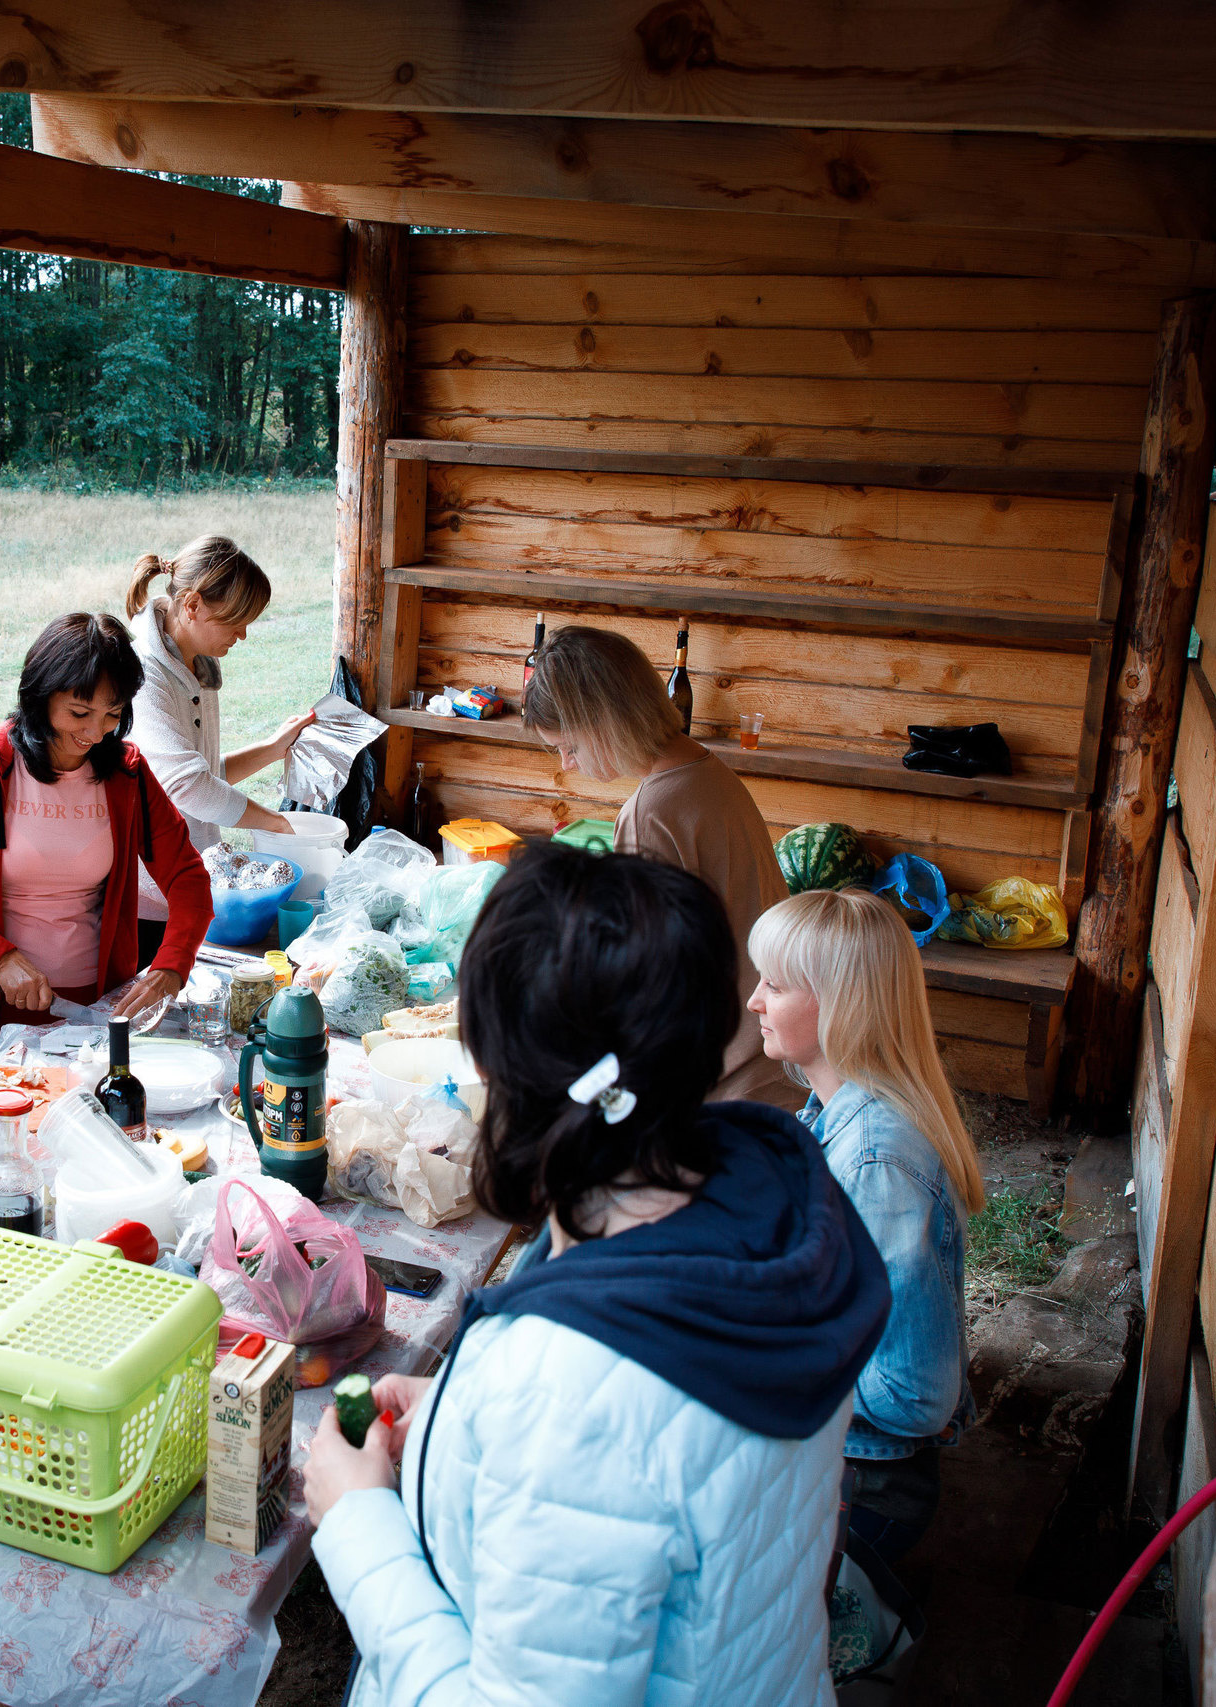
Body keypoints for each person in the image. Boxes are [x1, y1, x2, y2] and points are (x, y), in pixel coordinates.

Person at [299, 842, 888, 1707]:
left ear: (513, 1076)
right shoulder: (780, 1197)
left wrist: (356, 1523)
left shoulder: (563, 1400)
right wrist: (461, 1413)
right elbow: (669, 1473)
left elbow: (591, 1439)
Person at [750, 886, 987, 1568]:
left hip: (867, 1487)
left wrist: (762, 1358)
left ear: (838, 1002)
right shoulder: (835, 1110)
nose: (754, 1001)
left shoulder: (877, 1159)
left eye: (774, 984)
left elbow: (917, 1395)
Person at [0, 612, 214, 1055]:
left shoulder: (126, 775)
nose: (94, 732)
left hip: (99, 1004)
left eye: (113, 714)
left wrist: (170, 968)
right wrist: (0, 956)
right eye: (80, 712)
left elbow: (188, 880)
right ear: (40, 697)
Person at [523, 624, 801, 1109]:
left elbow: (648, 978)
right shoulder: (710, 773)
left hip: (722, 1076)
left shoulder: (650, 810)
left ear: (606, 722)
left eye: (570, 747)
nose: (567, 764)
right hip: (771, 1050)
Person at [124, 536, 316, 963]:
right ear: (192, 605)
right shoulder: (145, 675)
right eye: (235, 621)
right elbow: (188, 787)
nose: (243, 635)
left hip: (189, 884)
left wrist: (271, 748)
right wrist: (274, 822)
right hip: (148, 895)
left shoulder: (195, 664)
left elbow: (202, 773)